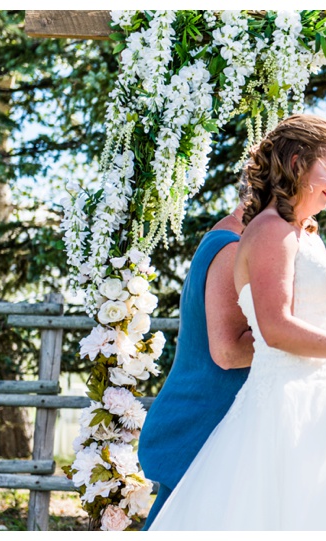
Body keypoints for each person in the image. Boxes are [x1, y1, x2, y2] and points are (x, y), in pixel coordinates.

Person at [149, 114, 326, 530]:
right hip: (283, 406)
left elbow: (315, 324)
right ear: (295, 163)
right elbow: (273, 331)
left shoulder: (303, 234)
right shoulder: (268, 232)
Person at [138, 183, 253, 529]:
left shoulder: (227, 238)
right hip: (204, 421)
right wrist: (299, 337)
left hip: (216, 420)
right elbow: (228, 351)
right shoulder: (231, 249)